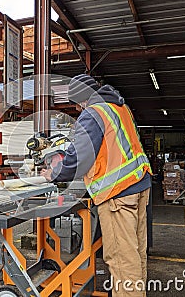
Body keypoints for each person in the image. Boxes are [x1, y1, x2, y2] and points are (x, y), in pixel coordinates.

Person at [41, 74, 152, 297]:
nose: (79, 108)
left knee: (121, 260)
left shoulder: (93, 114)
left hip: (118, 194)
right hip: (140, 185)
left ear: (81, 100)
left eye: (77, 104)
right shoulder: (119, 108)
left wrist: (53, 174)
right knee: (136, 254)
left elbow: (79, 158)